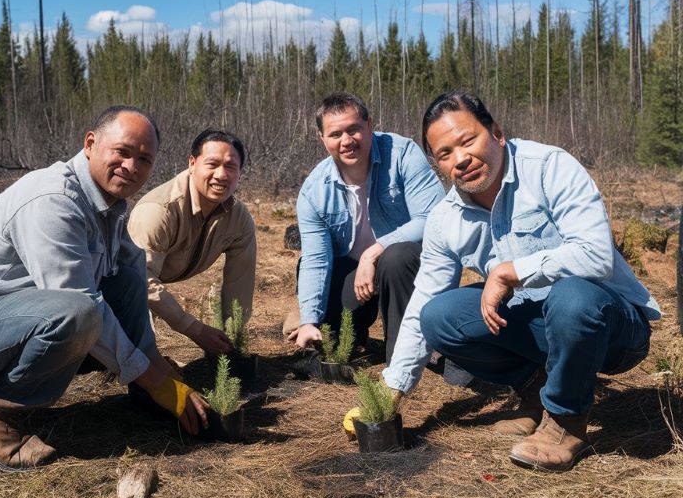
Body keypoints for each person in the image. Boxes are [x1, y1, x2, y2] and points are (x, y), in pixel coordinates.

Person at [383, 91, 660, 471]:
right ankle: (536, 391)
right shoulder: (445, 218)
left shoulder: (548, 167)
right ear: (437, 165)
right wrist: (392, 389)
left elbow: (595, 254)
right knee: (439, 316)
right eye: (445, 154)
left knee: (572, 295)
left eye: (468, 140)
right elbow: (421, 302)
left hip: (612, 328)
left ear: (496, 133)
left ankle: (565, 421)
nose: (461, 159)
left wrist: (511, 271)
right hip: (543, 328)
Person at [0, 106, 209, 472]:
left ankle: (143, 389)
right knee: (80, 312)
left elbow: (130, 279)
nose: (131, 166)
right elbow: (79, 302)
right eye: (122, 152)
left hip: (16, 319)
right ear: (90, 143)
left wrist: (154, 369)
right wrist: (156, 381)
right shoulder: (53, 201)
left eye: (144, 159)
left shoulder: (109, 206)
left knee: (128, 268)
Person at [286, 92, 445, 363]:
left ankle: (403, 357)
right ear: (321, 138)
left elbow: (434, 217)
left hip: (407, 270)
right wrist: (309, 319)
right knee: (330, 336)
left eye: (354, 129)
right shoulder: (314, 191)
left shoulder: (402, 154)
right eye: (335, 134)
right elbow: (316, 259)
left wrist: (374, 252)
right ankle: (350, 331)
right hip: (356, 276)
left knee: (397, 255)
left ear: (369, 125)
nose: (346, 141)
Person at [127, 129, 255, 353]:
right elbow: (141, 279)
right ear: (192, 163)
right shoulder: (158, 210)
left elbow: (240, 282)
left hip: (153, 276)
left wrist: (232, 336)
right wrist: (194, 329)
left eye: (230, 166)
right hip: (119, 285)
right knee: (136, 335)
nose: (221, 175)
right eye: (212, 164)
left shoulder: (238, 218)